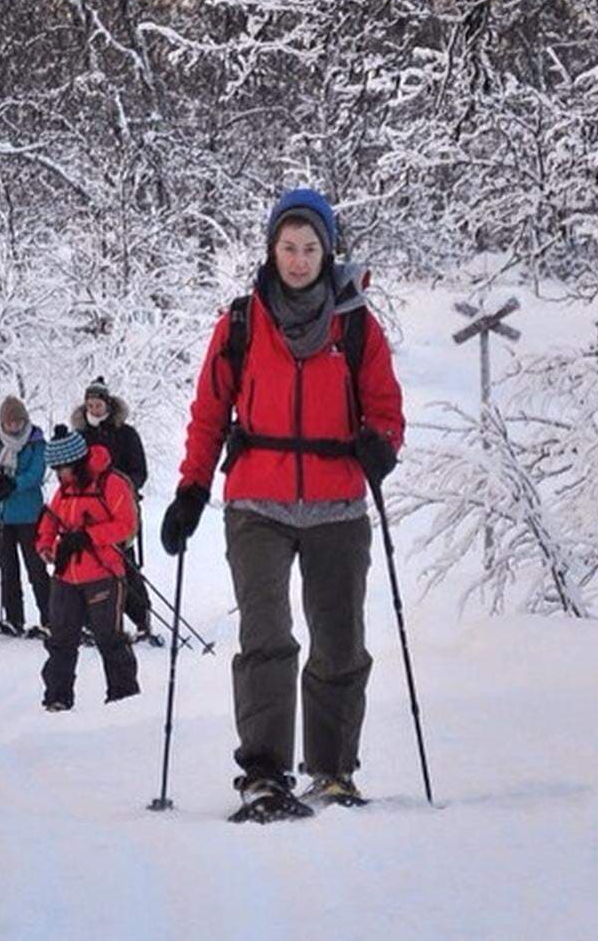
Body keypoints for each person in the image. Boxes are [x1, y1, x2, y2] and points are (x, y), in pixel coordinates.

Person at [160, 187, 404, 821]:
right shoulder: (241, 323)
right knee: (266, 637)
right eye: (288, 247)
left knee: (340, 640)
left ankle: (332, 771)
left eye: (310, 248)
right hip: (257, 504)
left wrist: (381, 445)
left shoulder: (356, 325)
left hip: (337, 505)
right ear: (272, 249)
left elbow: (385, 406)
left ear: (328, 252)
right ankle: (265, 775)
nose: (298, 260)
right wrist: (191, 489)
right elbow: (209, 412)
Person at [35, 425, 140, 711]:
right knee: (60, 640)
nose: (60, 475)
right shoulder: (64, 489)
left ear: (77, 462)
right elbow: (50, 520)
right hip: (66, 575)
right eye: (56, 470)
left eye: (63, 468)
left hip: (103, 573)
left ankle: (124, 698)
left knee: (110, 638)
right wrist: (45, 545)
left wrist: (88, 536)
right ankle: (57, 697)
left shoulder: (111, 483)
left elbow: (126, 525)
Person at [71, 377, 158, 645]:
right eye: (90, 405)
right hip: (89, 510)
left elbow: (139, 471)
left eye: (98, 404)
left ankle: (142, 619)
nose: (94, 409)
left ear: (107, 405)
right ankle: (92, 622)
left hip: (121, 508)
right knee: (90, 565)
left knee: (125, 565)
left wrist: (120, 487)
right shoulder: (79, 437)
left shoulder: (126, 433)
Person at [0, 395, 51, 639]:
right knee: (8, 571)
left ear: (25, 420)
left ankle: (50, 618)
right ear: (2, 423)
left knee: (36, 570)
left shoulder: (36, 444)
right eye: (9, 423)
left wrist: (13, 484)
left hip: (29, 516)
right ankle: (13, 618)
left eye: (18, 421)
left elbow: (36, 474)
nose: (14, 426)